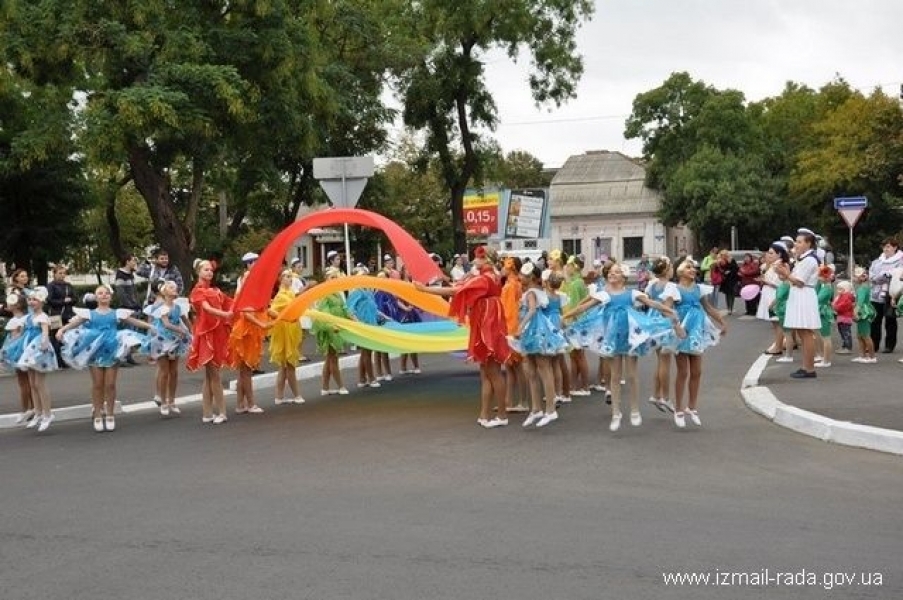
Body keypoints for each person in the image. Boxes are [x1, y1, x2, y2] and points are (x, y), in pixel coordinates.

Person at [563, 262, 680, 432]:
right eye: (610, 272)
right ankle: (616, 413)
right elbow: (583, 307)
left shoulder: (632, 293)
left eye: (616, 272)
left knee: (632, 375)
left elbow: (653, 303)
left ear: (623, 277)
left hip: (630, 338)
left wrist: (670, 312)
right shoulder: (603, 294)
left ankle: (634, 409)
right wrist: (565, 316)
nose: (612, 274)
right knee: (615, 377)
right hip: (613, 339)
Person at [416, 246, 510, 428]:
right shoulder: (492, 277)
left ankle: (502, 414)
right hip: (489, 323)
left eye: (478, 259)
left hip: (486, 325)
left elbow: (454, 291)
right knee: (486, 371)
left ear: (486, 260)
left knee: (492, 372)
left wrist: (424, 290)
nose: (474, 262)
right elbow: (458, 287)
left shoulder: (484, 279)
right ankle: (485, 414)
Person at [57, 285, 151, 432]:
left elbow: (133, 322)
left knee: (110, 384)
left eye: (106, 293)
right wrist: (62, 329)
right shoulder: (89, 313)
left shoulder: (116, 313)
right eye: (100, 293)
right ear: (96, 297)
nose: (104, 295)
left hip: (111, 349)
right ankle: (98, 413)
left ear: (110, 297)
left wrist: (150, 327)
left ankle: (110, 414)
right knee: (98, 384)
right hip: (94, 349)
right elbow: (75, 323)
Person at [672, 260, 727, 428]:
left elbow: (709, 308)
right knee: (683, 372)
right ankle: (678, 409)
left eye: (693, 267)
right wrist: (675, 326)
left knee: (697, 371)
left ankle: (692, 407)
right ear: (680, 271)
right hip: (682, 331)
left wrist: (722, 322)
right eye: (688, 267)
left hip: (697, 332)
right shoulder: (674, 290)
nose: (692, 270)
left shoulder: (698, 289)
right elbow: (668, 310)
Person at [514, 263, 569, 428]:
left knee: (544, 369)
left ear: (530, 277)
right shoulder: (536, 291)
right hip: (533, 331)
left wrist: (520, 326)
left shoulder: (532, 292)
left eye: (522, 276)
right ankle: (537, 408)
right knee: (531, 369)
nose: (520, 278)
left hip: (534, 330)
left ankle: (550, 409)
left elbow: (531, 310)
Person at [186, 260, 234, 425]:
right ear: (198, 272)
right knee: (214, 375)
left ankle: (207, 413)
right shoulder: (197, 292)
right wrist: (224, 314)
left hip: (217, 332)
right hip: (206, 334)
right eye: (205, 270)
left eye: (211, 270)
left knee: (209, 376)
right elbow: (206, 308)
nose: (209, 272)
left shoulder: (216, 291)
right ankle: (222, 411)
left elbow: (231, 303)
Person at [775, 229, 821, 378]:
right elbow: (792, 279)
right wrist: (784, 273)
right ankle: (805, 366)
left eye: (800, 242)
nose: (797, 244)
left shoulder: (810, 260)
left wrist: (787, 274)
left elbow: (800, 282)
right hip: (799, 294)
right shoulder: (802, 259)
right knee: (802, 332)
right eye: (796, 241)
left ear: (809, 243)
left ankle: (809, 368)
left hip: (804, 294)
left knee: (806, 332)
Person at [15, 288, 59, 432]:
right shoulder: (28, 317)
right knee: (32, 383)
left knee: (39, 383)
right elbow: (21, 332)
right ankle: (38, 413)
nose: (32, 302)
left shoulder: (42, 316)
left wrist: (44, 343)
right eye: (30, 299)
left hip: (40, 350)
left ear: (42, 301)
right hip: (29, 350)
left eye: (35, 299)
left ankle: (48, 414)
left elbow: (45, 332)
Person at [146, 280, 192, 416]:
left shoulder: (178, 307)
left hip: (176, 340)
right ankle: (163, 400)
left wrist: (192, 332)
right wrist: (181, 330)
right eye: (171, 287)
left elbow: (186, 321)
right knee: (164, 371)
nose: (175, 289)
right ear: (164, 291)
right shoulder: (161, 307)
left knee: (174, 371)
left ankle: (172, 401)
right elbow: (165, 324)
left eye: (175, 287)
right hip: (162, 340)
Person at [643, 257, 680, 414]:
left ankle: (655, 394)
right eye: (671, 267)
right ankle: (665, 397)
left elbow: (648, 302)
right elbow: (667, 308)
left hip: (652, 322)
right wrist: (676, 324)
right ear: (666, 270)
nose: (672, 269)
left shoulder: (652, 285)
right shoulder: (671, 286)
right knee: (665, 362)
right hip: (664, 324)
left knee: (660, 361)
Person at [313, 267, 351, 396]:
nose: (334, 279)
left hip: (337, 327)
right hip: (330, 330)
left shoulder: (338, 293)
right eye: (332, 277)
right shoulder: (324, 294)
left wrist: (354, 320)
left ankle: (325, 387)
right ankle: (340, 386)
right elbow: (324, 313)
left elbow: (345, 308)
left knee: (330, 359)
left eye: (336, 277)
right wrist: (332, 326)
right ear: (326, 279)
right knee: (333, 358)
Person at [0, 292, 35, 425]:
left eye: (9, 302)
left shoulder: (15, 320)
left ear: (16, 305)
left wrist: (6, 352)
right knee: (30, 381)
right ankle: (33, 407)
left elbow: (14, 340)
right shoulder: (27, 318)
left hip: (18, 352)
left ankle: (26, 409)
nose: (7, 304)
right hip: (26, 350)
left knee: (23, 382)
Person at [868, 238, 902, 354]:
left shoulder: (900, 260)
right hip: (876, 294)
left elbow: (897, 275)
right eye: (884, 247)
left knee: (890, 320)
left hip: (891, 294)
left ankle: (889, 345)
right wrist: (881, 276)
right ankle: (874, 345)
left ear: (895, 247)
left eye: (888, 246)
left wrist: (884, 276)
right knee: (874, 320)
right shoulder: (878, 261)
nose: (886, 249)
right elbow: (871, 274)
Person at [758, 242, 789, 356]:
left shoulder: (779, 265)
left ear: (779, 254)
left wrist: (766, 282)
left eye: (771, 253)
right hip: (769, 293)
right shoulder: (771, 265)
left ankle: (778, 346)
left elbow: (782, 283)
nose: (769, 255)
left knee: (778, 322)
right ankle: (778, 344)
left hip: (774, 293)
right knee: (775, 323)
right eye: (768, 253)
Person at [113, 254, 142, 366]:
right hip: (127, 308)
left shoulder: (130, 275)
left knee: (132, 333)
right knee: (126, 333)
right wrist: (130, 305)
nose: (135, 263)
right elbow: (121, 294)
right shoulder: (121, 275)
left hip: (133, 307)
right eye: (133, 261)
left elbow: (134, 293)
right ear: (127, 261)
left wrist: (137, 304)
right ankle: (122, 357)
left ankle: (128, 356)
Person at [46, 265, 76, 367]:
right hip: (55, 315)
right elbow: (49, 300)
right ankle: (58, 360)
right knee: (56, 337)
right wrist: (62, 301)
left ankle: (66, 359)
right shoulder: (51, 286)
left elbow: (75, 298)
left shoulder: (68, 285)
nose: (62, 275)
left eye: (64, 273)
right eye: (60, 273)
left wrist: (70, 300)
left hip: (68, 314)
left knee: (67, 337)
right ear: (54, 274)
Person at [852, 267, 877, 363]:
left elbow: (860, 303)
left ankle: (872, 357)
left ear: (861, 278)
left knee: (865, 335)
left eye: (856, 276)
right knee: (860, 335)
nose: (854, 278)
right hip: (865, 310)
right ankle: (862, 356)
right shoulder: (864, 286)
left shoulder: (862, 288)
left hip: (864, 312)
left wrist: (855, 312)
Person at [814, 265, 835, 368]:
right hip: (822, 310)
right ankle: (824, 358)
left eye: (820, 276)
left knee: (826, 337)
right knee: (824, 336)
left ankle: (826, 360)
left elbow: (817, 298)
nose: (818, 278)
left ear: (825, 277)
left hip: (823, 311)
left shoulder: (827, 288)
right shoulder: (825, 286)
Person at [832, 280, 855, 356]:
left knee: (846, 333)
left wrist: (834, 307)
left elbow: (842, 306)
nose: (838, 291)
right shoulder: (843, 296)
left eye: (840, 289)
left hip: (845, 317)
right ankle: (845, 346)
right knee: (843, 333)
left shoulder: (847, 297)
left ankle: (848, 347)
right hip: (842, 317)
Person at [714, 250, 739, 315]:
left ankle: (731, 308)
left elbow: (736, 268)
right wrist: (718, 264)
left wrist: (729, 271)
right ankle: (728, 308)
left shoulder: (731, 260)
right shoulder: (720, 261)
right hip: (725, 279)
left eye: (724, 254)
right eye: (722, 255)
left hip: (732, 279)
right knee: (727, 293)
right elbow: (717, 269)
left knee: (732, 293)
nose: (723, 256)